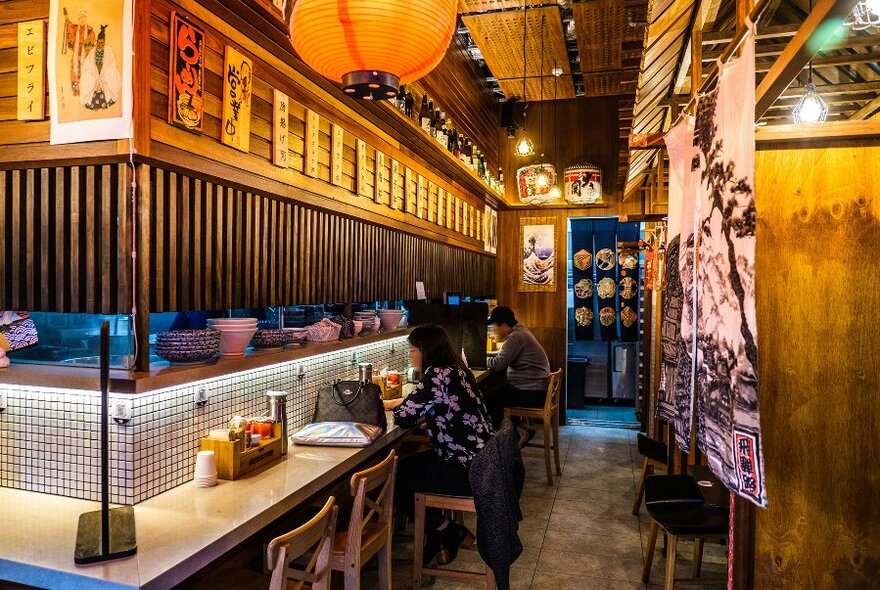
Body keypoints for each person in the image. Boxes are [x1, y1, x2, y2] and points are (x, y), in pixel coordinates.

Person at [383, 324, 494, 566]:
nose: (410, 355)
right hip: (482, 462)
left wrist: (401, 404)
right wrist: (408, 400)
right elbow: (434, 400)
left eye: (413, 350)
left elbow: (404, 417)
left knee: (395, 478)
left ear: (426, 350)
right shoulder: (457, 369)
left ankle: (446, 530)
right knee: (408, 469)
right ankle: (441, 538)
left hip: (464, 470)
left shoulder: (436, 376)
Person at [484, 306, 550, 426]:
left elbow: (498, 364)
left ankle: (510, 436)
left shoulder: (516, 336)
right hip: (534, 389)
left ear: (503, 324)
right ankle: (517, 432)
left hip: (531, 393)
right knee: (496, 393)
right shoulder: (520, 331)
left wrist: (480, 359)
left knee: (489, 399)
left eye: (494, 325)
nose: (493, 329)